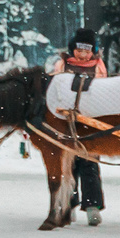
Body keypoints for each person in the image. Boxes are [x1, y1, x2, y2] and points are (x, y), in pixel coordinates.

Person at [47, 28, 111, 226]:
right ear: (73, 49)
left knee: (90, 165)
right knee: (68, 166)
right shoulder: (62, 65)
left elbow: (103, 91)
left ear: (93, 51)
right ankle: (70, 204)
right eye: (79, 50)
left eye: (87, 50)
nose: (83, 54)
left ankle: (92, 206)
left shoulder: (98, 66)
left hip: (89, 124)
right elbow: (54, 89)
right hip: (66, 124)